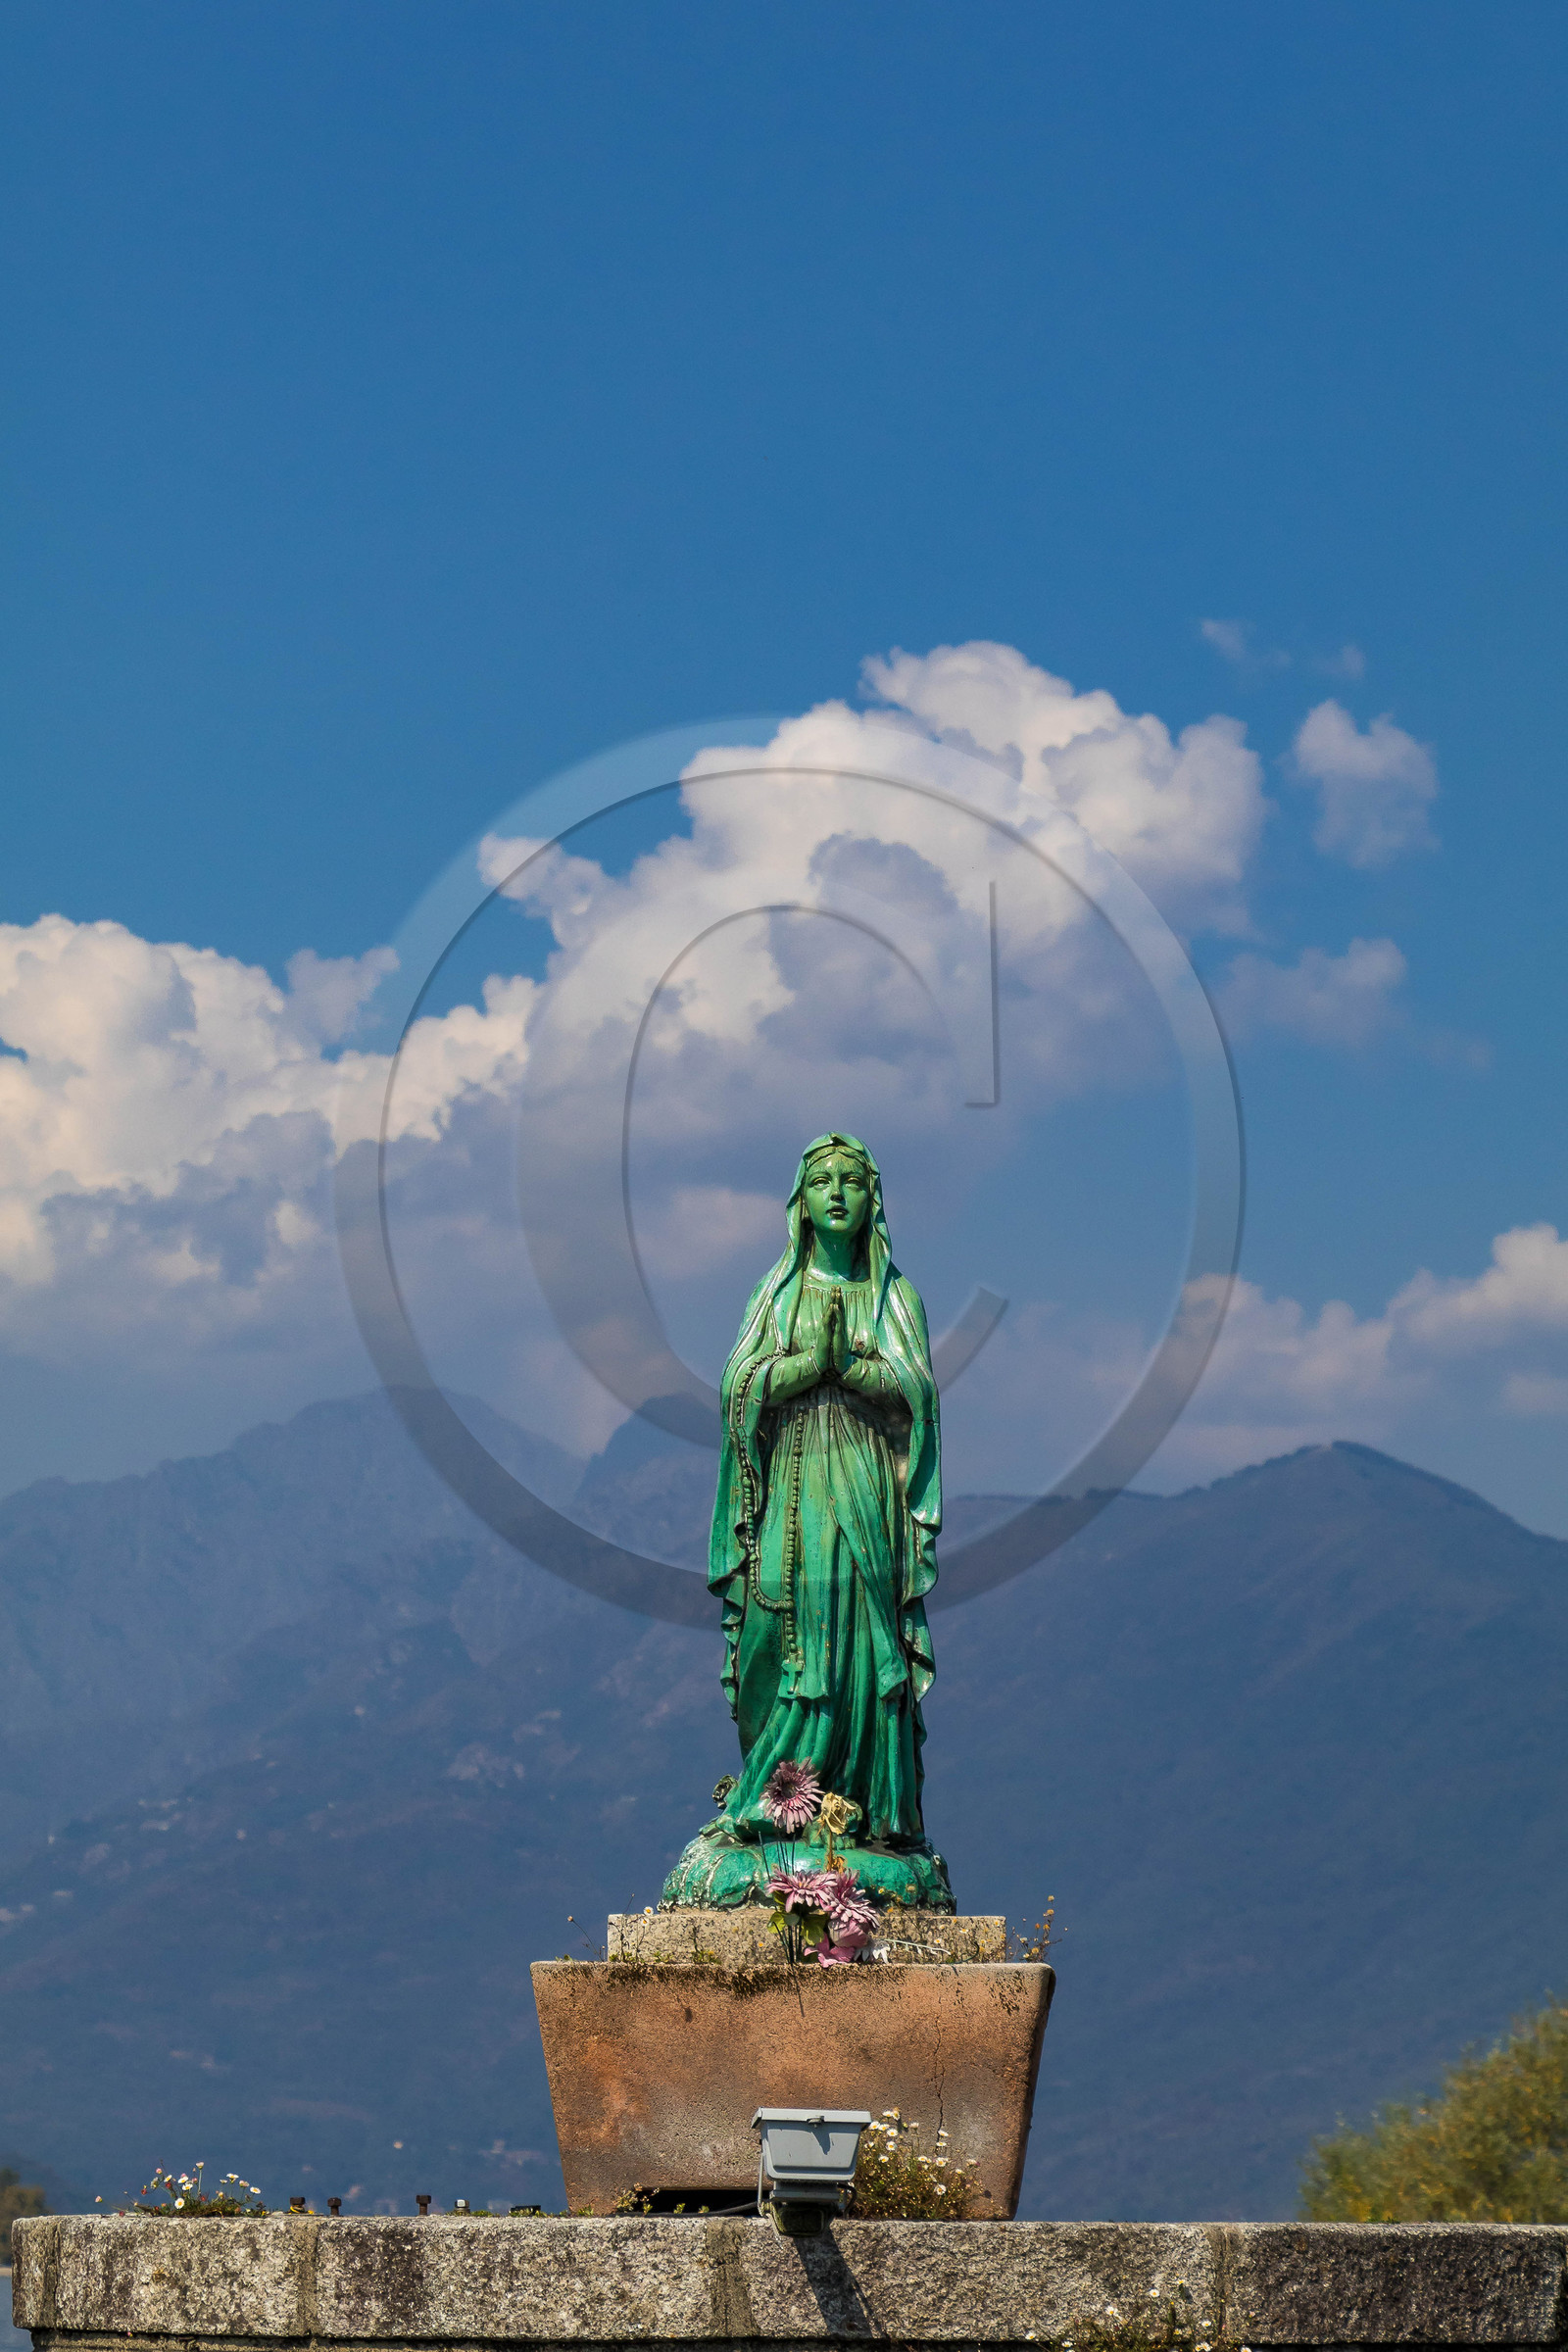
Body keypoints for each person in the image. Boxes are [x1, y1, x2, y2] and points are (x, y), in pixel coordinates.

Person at [661, 1133, 954, 1911]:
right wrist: (801, 1369)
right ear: (800, 1201)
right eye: (821, 1181)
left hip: (862, 1493)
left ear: (872, 1200)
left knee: (859, 1644)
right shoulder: (776, 1293)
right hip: (788, 1493)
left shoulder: (894, 1297)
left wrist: (853, 1370)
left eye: (851, 1181)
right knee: (779, 1641)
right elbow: (736, 1388)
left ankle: (861, 1813)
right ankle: (774, 1802)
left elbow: (918, 1395)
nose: (836, 1193)